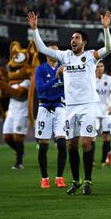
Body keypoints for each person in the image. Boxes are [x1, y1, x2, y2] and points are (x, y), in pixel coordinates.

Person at [27, 10, 111, 195]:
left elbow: (108, 49)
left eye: (77, 38)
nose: (73, 40)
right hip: (70, 106)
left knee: (86, 143)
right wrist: (35, 30)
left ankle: (88, 180)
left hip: (88, 104)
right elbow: (43, 49)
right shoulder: (65, 56)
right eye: (72, 38)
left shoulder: (91, 55)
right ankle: (76, 180)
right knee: (71, 144)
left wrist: (106, 29)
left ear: (84, 42)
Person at [34, 44, 67, 188]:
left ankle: (59, 176)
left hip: (60, 107)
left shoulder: (64, 67)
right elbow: (40, 88)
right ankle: (44, 178)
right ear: (46, 54)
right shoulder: (40, 69)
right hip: (44, 107)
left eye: (56, 51)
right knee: (43, 145)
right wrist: (56, 78)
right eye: (51, 51)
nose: (54, 54)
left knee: (61, 143)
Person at [94, 61, 111, 167]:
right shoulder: (90, 79)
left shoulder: (109, 79)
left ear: (104, 67)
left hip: (106, 111)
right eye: (97, 66)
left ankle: (104, 160)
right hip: (93, 111)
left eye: (101, 66)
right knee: (92, 137)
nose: (99, 68)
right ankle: (91, 160)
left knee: (106, 136)